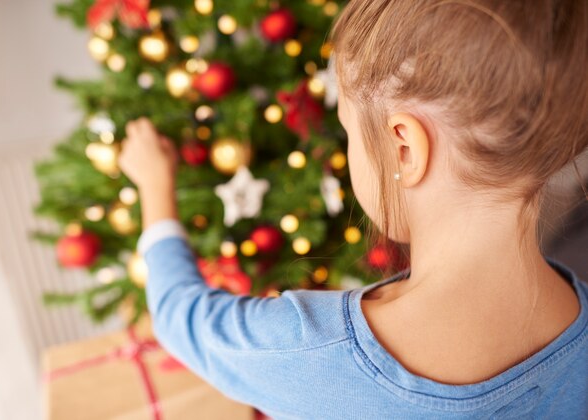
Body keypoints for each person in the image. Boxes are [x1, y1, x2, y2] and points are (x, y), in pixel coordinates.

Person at [117, 0, 588, 418]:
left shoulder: (310, 349)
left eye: (349, 131)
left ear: (404, 147)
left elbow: (180, 314)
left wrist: (156, 187)